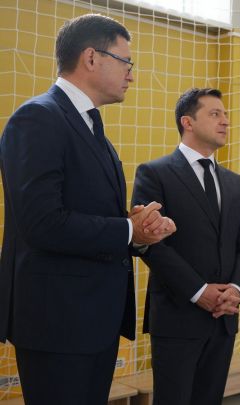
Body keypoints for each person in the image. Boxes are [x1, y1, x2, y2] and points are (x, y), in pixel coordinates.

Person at [0, 14, 176, 405]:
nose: (132, 75)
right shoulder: (38, 118)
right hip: (57, 322)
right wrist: (128, 231)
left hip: (94, 321)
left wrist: (138, 228)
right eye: (126, 62)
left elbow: (89, 213)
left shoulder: (93, 129)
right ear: (91, 58)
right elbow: (42, 223)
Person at [131, 87, 240, 405]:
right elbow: (150, 245)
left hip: (224, 317)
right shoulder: (155, 173)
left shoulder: (233, 182)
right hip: (177, 317)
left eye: (225, 114)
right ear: (187, 122)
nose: (225, 121)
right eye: (215, 114)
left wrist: (236, 289)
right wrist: (199, 291)